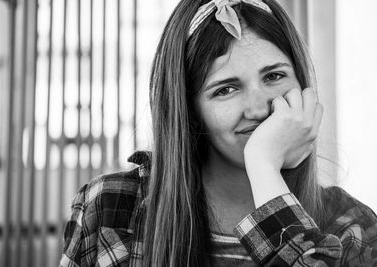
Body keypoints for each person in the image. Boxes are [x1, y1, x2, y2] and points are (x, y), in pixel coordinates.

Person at [60, 0, 377, 266]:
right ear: (191, 112)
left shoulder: (352, 226)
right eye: (226, 89)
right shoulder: (108, 208)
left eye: (275, 76)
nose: (257, 108)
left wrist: (264, 168)